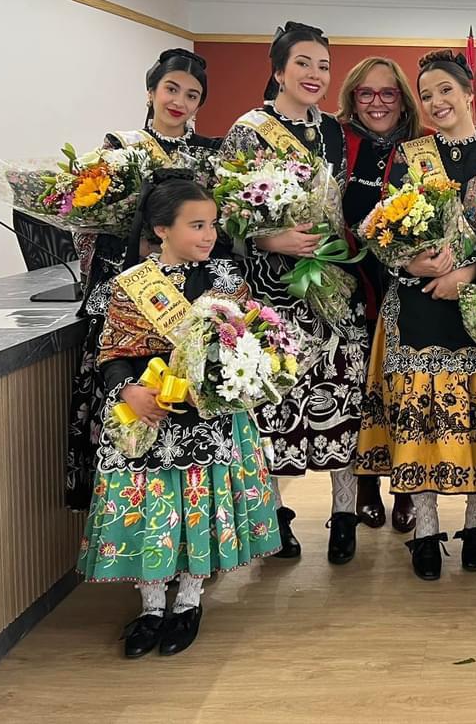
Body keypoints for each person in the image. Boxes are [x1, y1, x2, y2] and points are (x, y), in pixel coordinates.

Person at [77, 172, 280, 658]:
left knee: (197, 507)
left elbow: (247, 346)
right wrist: (128, 392)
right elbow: (112, 352)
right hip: (149, 417)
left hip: (204, 417)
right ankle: (151, 607)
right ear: (161, 229)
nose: (209, 235)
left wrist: (229, 379)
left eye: (212, 224)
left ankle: (189, 601)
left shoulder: (227, 281)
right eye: (197, 225)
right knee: (152, 510)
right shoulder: (130, 285)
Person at [355, 50, 476, 580]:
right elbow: (385, 225)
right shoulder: (411, 154)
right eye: (426, 95)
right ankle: (425, 531)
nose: (436, 102)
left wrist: (466, 273)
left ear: (470, 94)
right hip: (417, 306)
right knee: (421, 420)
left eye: (445, 90)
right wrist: (408, 259)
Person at [220, 22, 366, 565]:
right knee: (275, 404)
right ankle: (274, 516)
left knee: (344, 396)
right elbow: (225, 213)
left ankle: (344, 514)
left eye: (324, 66)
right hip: (273, 291)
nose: (315, 74)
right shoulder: (249, 130)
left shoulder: (333, 132)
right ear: (279, 71)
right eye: (303, 63)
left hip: (333, 282)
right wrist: (269, 238)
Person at [67, 48, 220, 510]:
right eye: (171, 89)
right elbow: (86, 224)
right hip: (133, 294)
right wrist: (140, 248)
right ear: (151, 91)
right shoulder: (119, 150)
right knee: (130, 391)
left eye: (191, 95)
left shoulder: (211, 155)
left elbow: (221, 228)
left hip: (192, 293)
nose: (179, 102)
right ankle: (129, 506)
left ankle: (193, 507)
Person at [336, 56, 421, 534]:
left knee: (403, 393)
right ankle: (365, 485)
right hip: (348, 290)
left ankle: (405, 488)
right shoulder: (336, 141)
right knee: (359, 396)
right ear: (352, 97)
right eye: (366, 93)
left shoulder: (422, 146)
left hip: (406, 291)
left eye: (388, 93)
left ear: (403, 100)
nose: (377, 103)